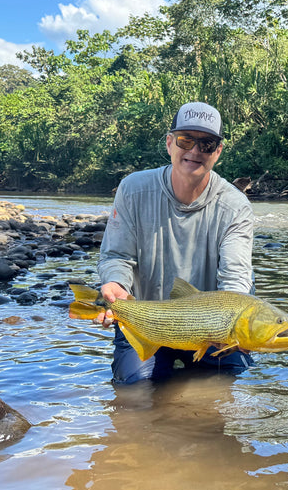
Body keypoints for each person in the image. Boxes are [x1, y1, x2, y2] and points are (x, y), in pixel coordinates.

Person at [94, 101, 255, 384]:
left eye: (206, 144)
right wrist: (116, 284)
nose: (195, 151)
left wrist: (236, 324)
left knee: (229, 387)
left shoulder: (235, 206)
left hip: (211, 330)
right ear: (170, 143)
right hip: (144, 323)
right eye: (186, 140)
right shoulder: (133, 189)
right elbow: (117, 256)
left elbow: (236, 277)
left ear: (218, 151)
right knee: (135, 391)